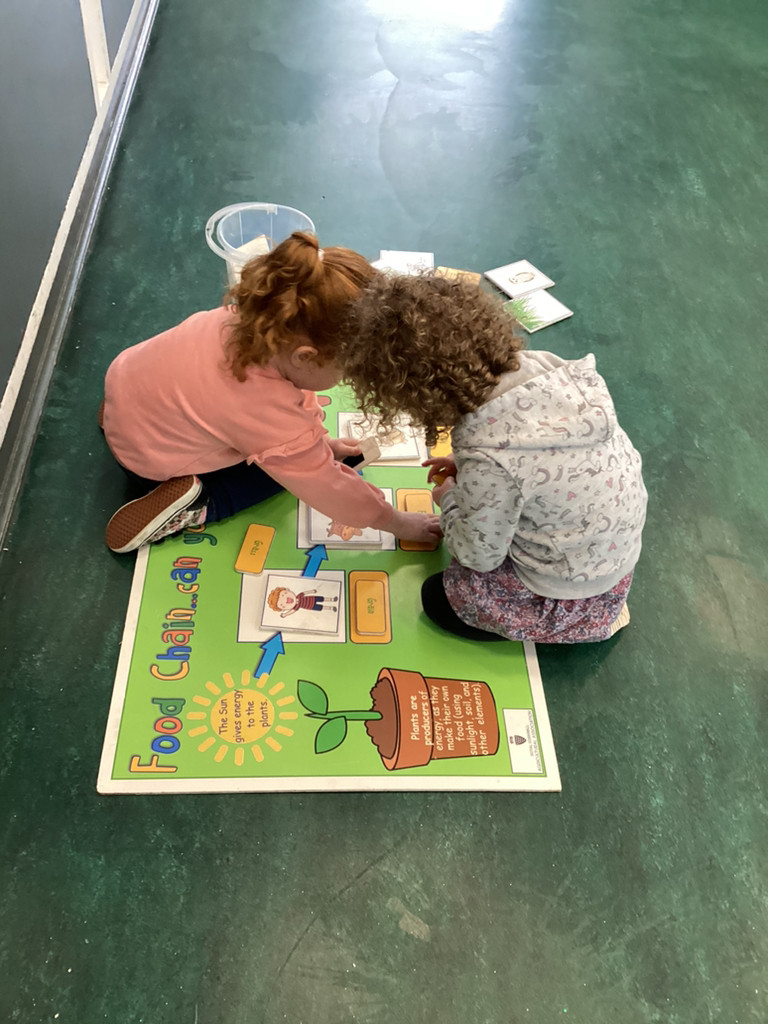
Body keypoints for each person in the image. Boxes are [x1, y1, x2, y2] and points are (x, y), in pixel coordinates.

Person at [339, 272, 648, 643]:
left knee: (437, 598)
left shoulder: (490, 456)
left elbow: (478, 554)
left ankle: (576, 627)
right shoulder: (545, 366)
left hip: (570, 590)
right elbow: (540, 456)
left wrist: (450, 501)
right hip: (613, 557)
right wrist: (470, 470)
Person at [100, 232, 441, 553]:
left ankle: (117, 420)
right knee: (278, 476)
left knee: (275, 445)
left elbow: (292, 395)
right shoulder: (260, 405)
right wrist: (394, 521)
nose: (347, 378)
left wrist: (320, 442)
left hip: (126, 393)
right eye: (346, 369)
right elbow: (324, 486)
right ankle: (201, 504)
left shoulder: (250, 318)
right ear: (305, 356)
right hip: (147, 461)